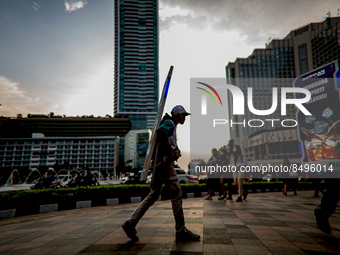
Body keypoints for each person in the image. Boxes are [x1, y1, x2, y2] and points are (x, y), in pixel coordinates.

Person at [122, 105, 200, 242]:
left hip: (158, 165)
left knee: (153, 195)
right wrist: (170, 151)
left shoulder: (170, 124)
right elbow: (160, 132)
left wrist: (176, 151)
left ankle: (130, 223)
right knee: (176, 194)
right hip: (165, 165)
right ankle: (181, 230)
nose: (185, 118)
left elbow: (165, 137)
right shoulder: (169, 123)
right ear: (179, 115)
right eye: (184, 116)